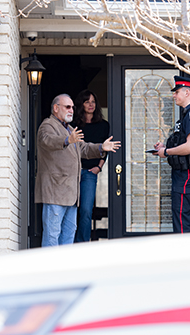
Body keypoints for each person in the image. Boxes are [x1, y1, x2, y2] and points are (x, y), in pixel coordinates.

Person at [35, 93, 120, 247]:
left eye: (73, 107)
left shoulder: (69, 129)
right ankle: (49, 269)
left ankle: (65, 269)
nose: (71, 110)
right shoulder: (47, 125)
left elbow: (84, 148)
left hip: (71, 194)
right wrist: (67, 140)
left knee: (68, 234)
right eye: (67, 107)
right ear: (56, 108)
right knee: (52, 235)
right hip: (55, 191)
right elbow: (47, 140)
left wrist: (101, 147)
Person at [154, 76, 190, 233]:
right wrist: (165, 147)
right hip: (183, 173)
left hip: (187, 174)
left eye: (176, 92)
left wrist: (167, 152)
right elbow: (183, 142)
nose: (174, 95)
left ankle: (186, 256)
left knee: (182, 220)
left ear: (187, 93)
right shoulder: (186, 115)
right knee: (186, 218)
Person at [71, 90, 110, 243]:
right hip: (72, 172)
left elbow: (105, 150)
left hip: (89, 172)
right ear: (81, 104)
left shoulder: (103, 125)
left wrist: (99, 168)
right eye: (87, 102)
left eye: (93, 101)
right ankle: (69, 241)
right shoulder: (73, 125)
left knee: (86, 210)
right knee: (71, 209)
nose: (91, 104)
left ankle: (82, 243)